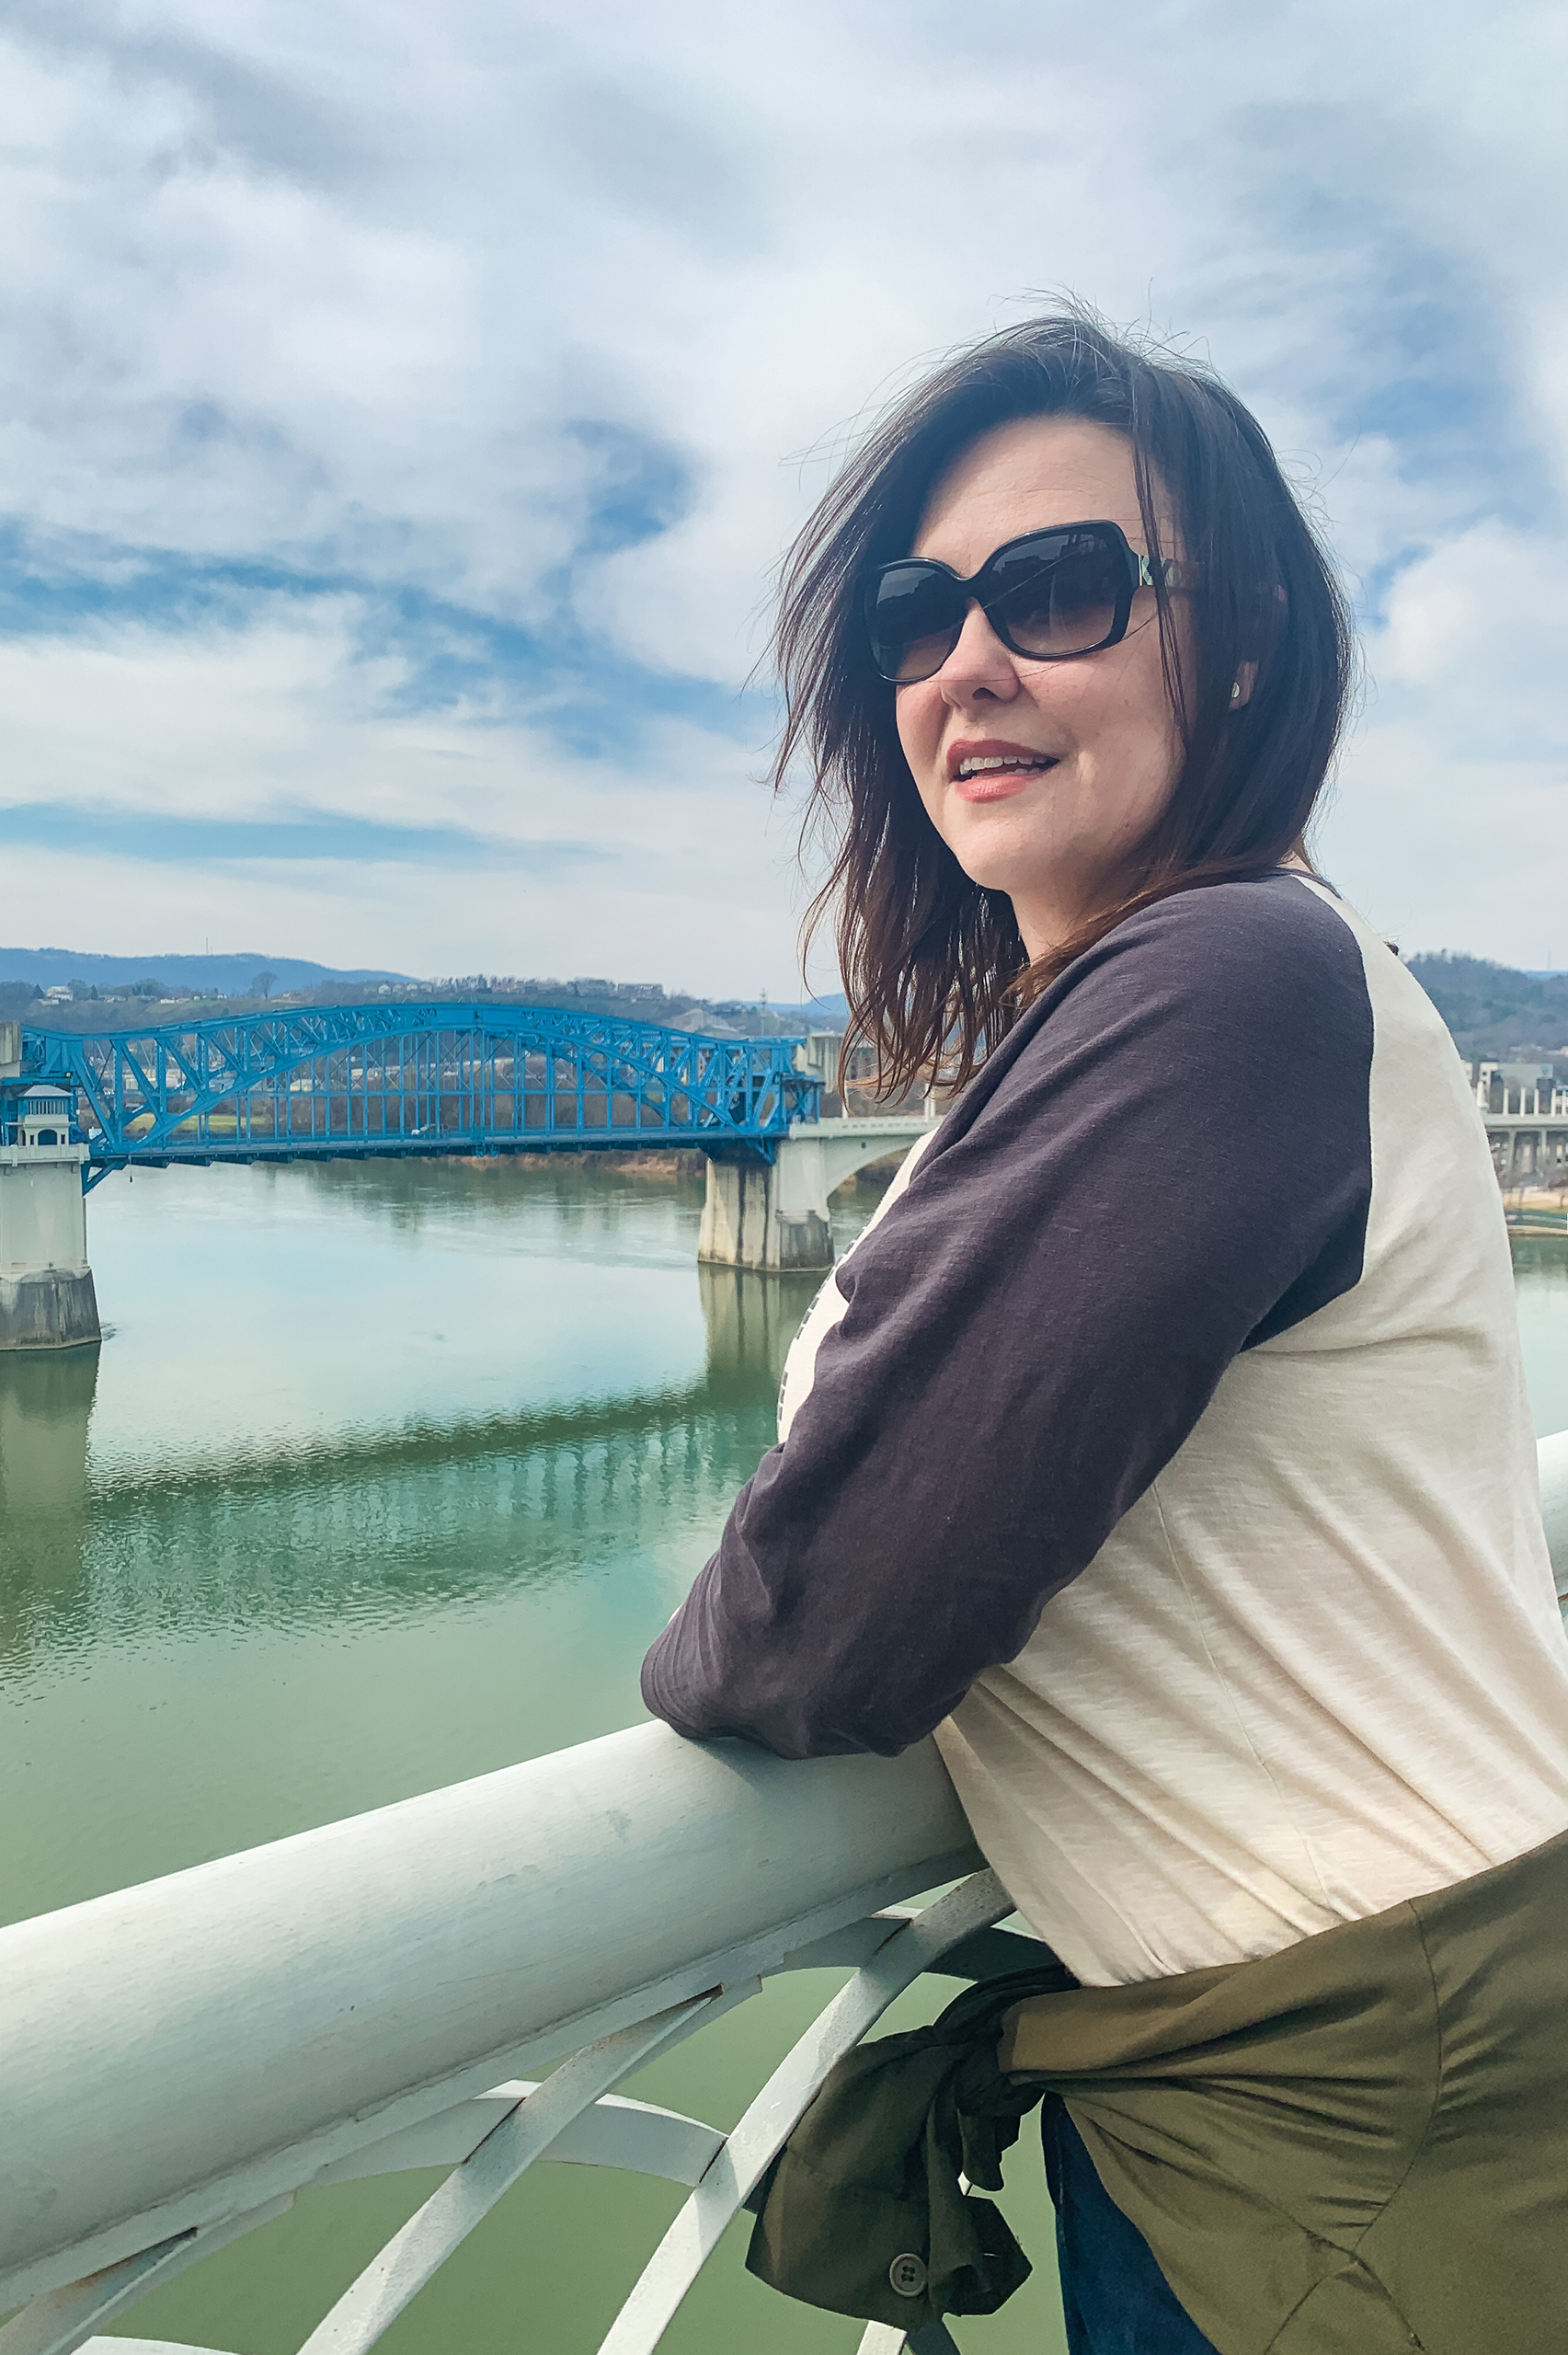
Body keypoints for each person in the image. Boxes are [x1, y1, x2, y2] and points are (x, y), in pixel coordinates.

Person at [641, 312, 1568, 2352]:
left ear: (1231, 644)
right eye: (913, 612)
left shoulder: (1228, 977)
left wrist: (721, 1615)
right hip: (1279, 2058)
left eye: (1055, 591)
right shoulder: (1179, 998)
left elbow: (824, 1628)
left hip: (1360, 2106)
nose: (963, 660)